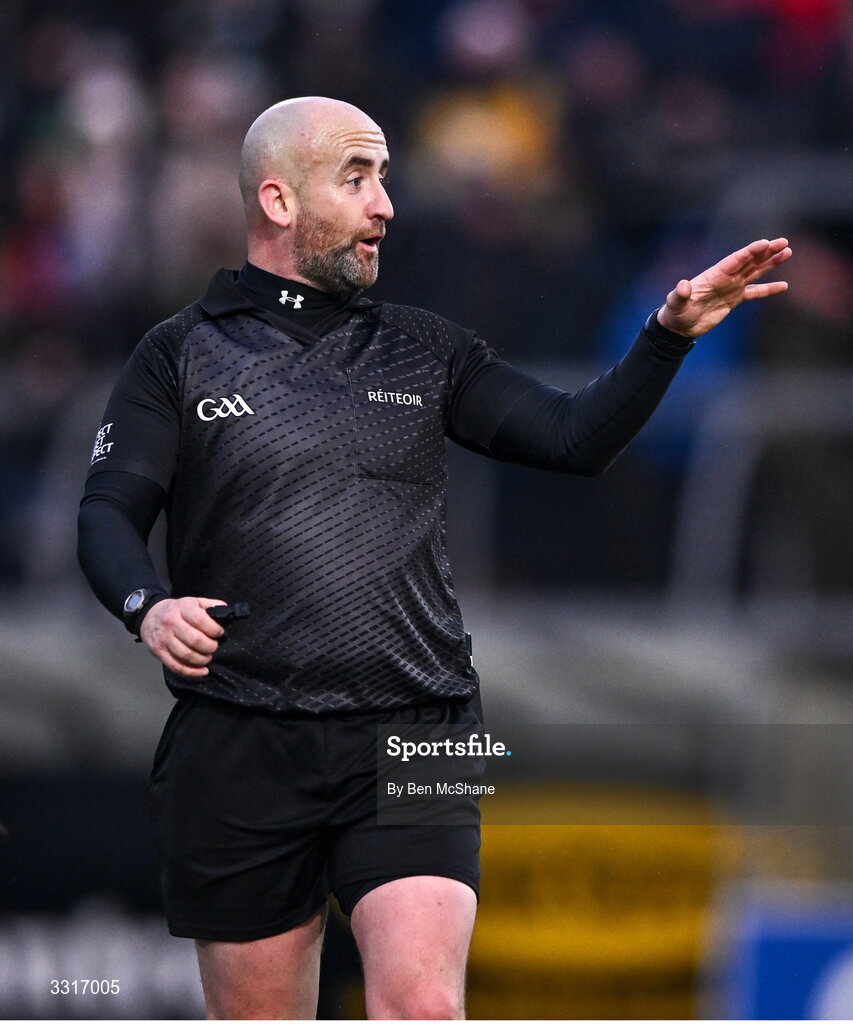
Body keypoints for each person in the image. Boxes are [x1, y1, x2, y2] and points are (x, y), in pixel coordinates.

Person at [77, 96, 791, 1019]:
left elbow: (572, 437)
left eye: (385, 178)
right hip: (238, 740)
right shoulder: (177, 357)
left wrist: (664, 338)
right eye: (357, 177)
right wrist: (149, 605)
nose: (385, 206)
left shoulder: (423, 348)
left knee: (423, 1007)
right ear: (279, 201)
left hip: (420, 726)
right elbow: (106, 513)